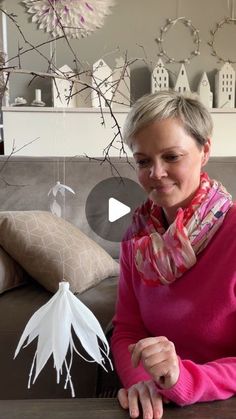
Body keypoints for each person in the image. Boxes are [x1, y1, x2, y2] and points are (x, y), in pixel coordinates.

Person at [111, 90, 236, 419]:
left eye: (171, 157)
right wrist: (142, 382)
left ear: (205, 150)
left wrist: (183, 378)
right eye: (143, 161)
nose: (156, 173)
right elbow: (127, 330)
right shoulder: (135, 237)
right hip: (157, 403)